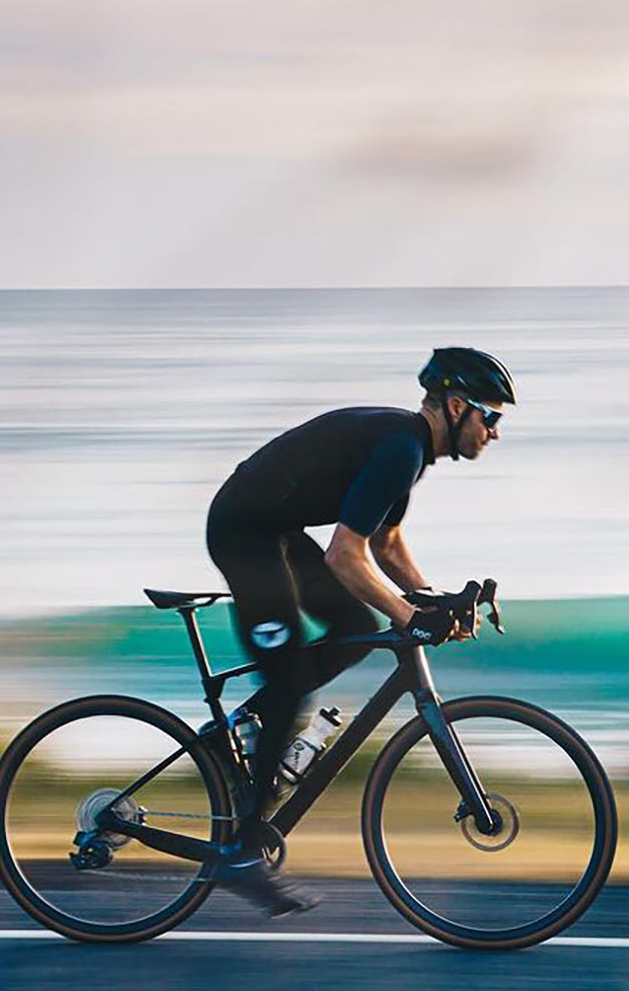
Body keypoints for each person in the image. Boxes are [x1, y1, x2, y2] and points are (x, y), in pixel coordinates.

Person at [204, 347, 516, 917]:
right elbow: (346, 557)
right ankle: (242, 854)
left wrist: (430, 597)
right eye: (489, 417)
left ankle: (254, 723)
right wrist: (409, 616)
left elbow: (385, 544)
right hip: (243, 535)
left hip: (274, 531)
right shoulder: (400, 448)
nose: (493, 433)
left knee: (353, 623)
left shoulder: (408, 450)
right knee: (295, 678)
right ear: (454, 406)